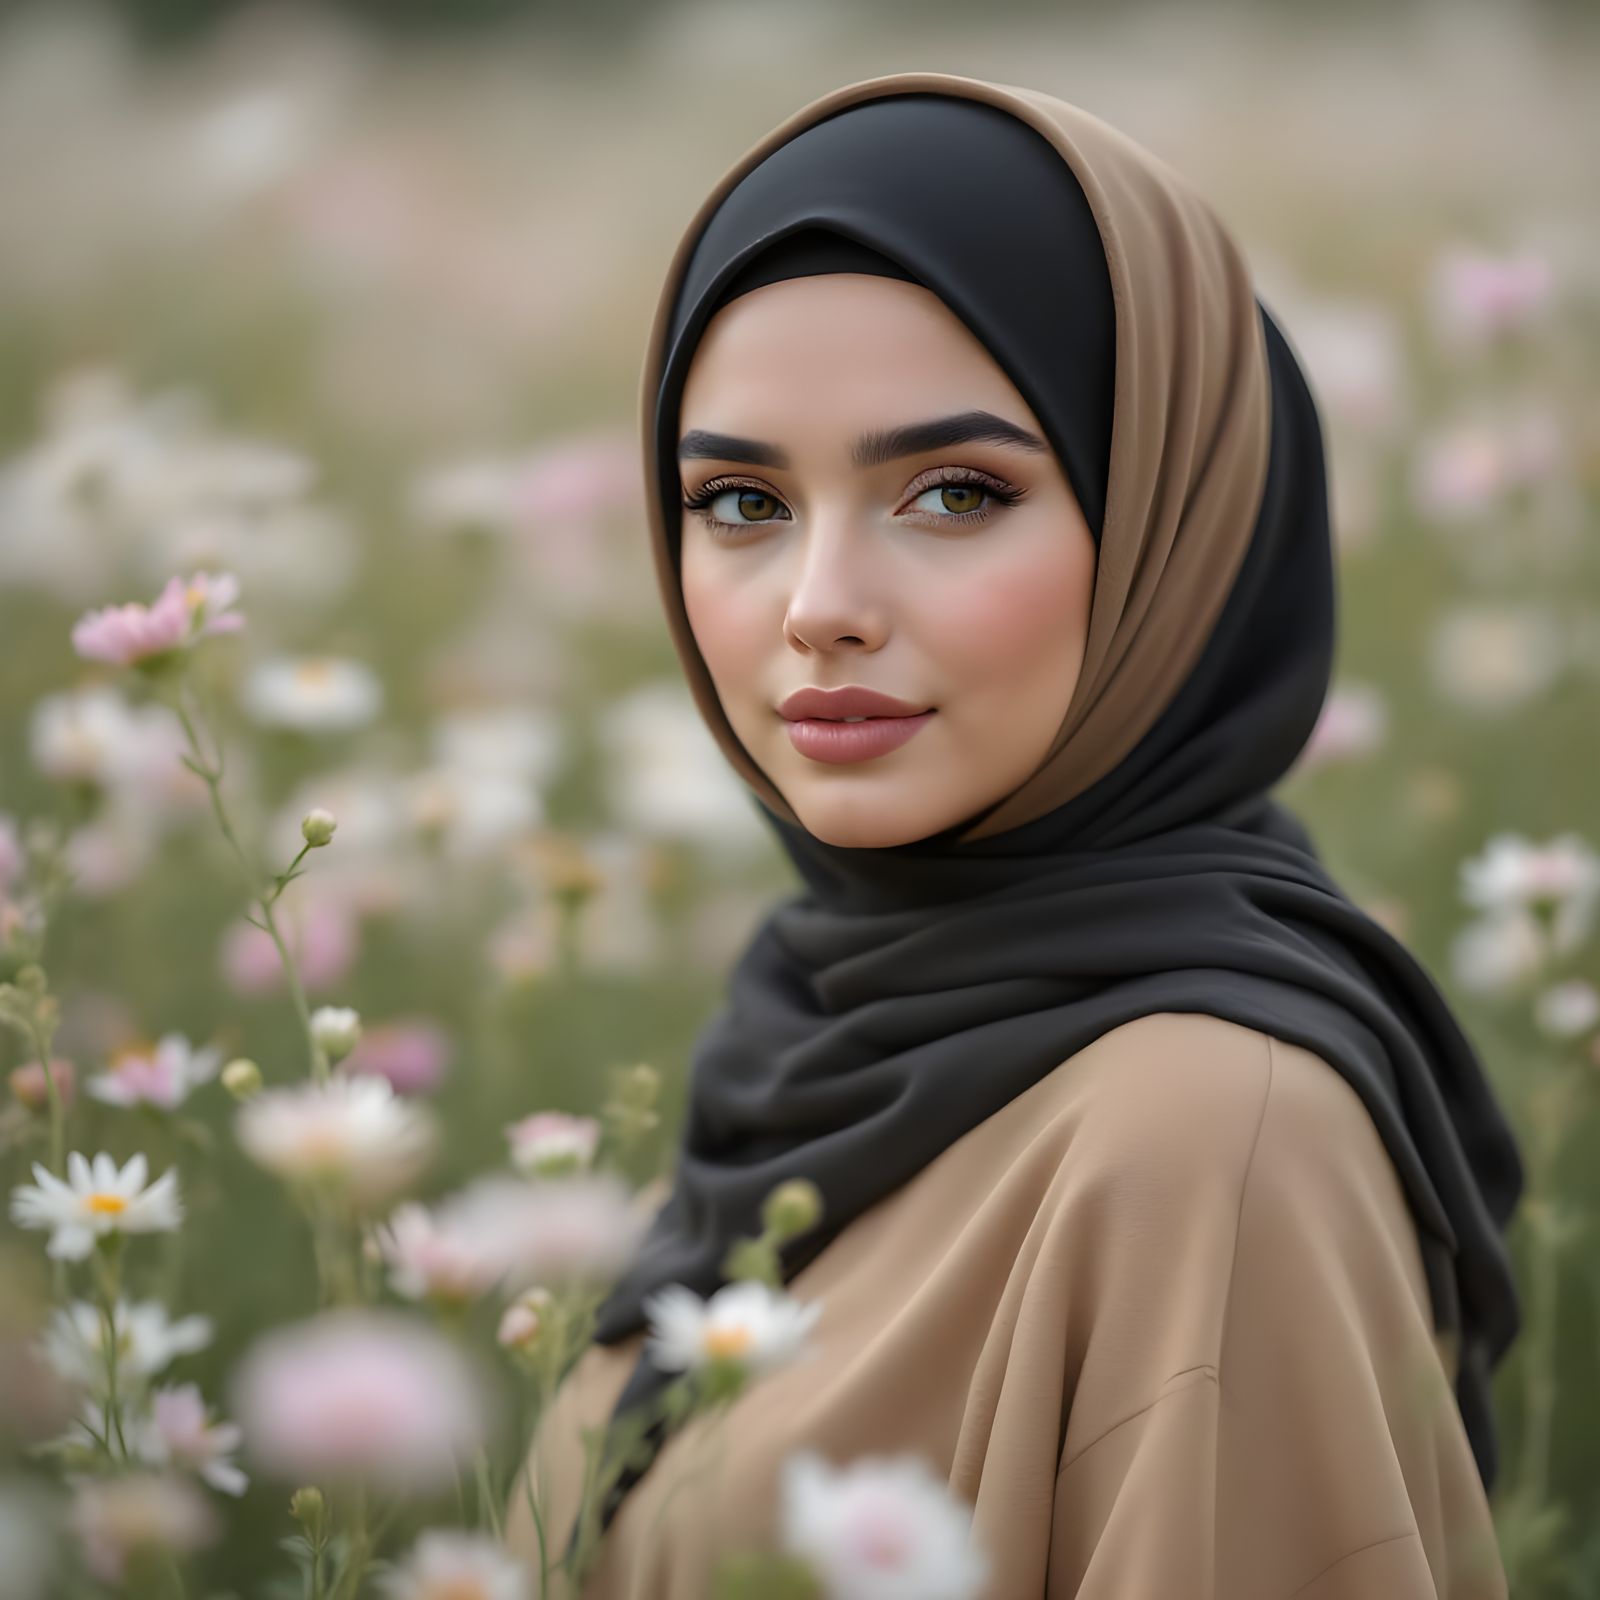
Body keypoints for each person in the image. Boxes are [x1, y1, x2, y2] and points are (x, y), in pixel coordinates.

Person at [505, 70, 1523, 1598]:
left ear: (1181, 525)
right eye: (737, 500)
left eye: (957, 491)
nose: (817, 606)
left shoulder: (1207, 1139)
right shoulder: (818, 1031)